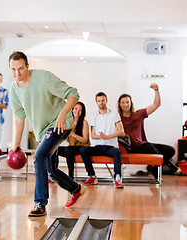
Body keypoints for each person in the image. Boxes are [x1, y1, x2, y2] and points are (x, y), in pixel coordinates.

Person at [8, 51, 84, 217]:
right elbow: (19, 119)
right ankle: (75, 189)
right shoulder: (14, 90)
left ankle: (39, 204)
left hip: (60, 124)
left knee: (39, 156)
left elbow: (73, 94)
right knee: (51, 171)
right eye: (13, 70)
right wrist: (16, 144)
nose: (17, 73)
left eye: (20, 69)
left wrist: (63, 113)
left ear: (27, 66)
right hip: (43, 132)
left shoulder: (44, 78)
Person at [118, 83, 180, 178]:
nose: (126, 105)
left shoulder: (138, 114)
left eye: (127, 102)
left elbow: (156, 104)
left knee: (170, 150)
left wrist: (156, 90)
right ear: (119, 104)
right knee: (151, 149)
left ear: (131, 103)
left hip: (143, 144)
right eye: (123, 102)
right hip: (131, 148)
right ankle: (165, 166)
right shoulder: (117, 118)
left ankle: (153, 168)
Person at [80, 92, 125, 188]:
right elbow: (93, 135)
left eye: (103, 100)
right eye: (99, 101)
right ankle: (91, 175)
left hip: (111, 147)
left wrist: (108, 136)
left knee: (117, 152)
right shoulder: (94, 116)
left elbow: (121, 131)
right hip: (99, 146)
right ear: (96, 102)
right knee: (83, 150)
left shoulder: (114, 114)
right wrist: (101, 137)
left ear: (106, 101)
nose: (101, 103)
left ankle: (117, 178)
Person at [58, 102, 90, 179]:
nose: (77, 111)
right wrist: (65, 135)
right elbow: (70, 141)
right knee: (55, 149)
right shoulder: (70, 122)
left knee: (68, 149)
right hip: (72, 147)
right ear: (72, 109)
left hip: (82, 148)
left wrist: (73, 134)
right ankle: (53, 173)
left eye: (80, 110)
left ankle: (70, 177)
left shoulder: (84, 122)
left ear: (82, 112)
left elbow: (85, 140)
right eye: (76, 109)